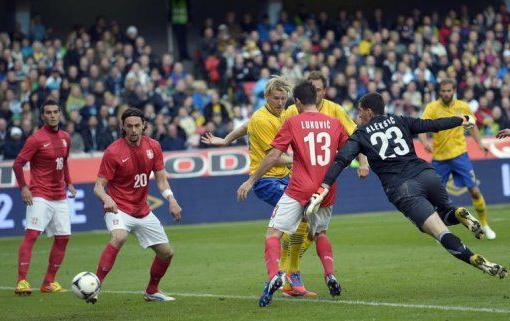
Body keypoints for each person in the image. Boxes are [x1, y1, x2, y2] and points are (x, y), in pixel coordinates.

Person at [201, 72, 369, 297]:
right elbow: (272, 154)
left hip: (293, 180)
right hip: (275, 180)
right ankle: (294, 274)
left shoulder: (288, 114)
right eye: (276, 98)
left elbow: (247, 128)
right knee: (312, 228)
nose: (281, 103)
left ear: (295, 101)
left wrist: (226, 140)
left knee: (293, 230)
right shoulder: (266, 120)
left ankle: (284, 275)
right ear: (267, 97)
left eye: (283, 98)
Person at [309, 92, 507, 281]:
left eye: (360, 111)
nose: (358, 115)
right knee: (445, 213)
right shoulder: (400, 120)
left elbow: (341, 160)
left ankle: (474, 259)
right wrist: (461, 120)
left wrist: (323, 186)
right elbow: (433, 125)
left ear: (369, 111)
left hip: (403, 188)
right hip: (427, 174)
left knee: (440, 233)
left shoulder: (360, 134)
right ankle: (459, 213)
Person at [237, 81, 349, 307]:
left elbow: (272, 157)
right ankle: (329, 274)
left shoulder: (293, 122)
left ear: (297, 101)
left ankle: (275, 276)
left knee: (273, 233)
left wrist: (251, 180)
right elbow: (348, 154)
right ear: (316, 99)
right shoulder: (335, 123)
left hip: (299, 187)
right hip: (326, 188)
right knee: (320, 232)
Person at [92, 107, 182, 303]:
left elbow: (161, 180)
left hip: (142, 210)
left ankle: (151, 290)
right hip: (118, 208)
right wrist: (106, 198)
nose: (133, 130)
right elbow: (98, 187)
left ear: (144, 126)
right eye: (129, 126)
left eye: (137, 126)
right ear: (123, 127)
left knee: (167, 253)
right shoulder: (113, 152)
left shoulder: (154, 147)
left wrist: (171, 199)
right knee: (119, 236)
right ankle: (94, 286)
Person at [12, 99, 76, 295]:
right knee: (32, 235)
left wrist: (69, 183)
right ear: (43, 116)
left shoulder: (66, 137)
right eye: (48, 112)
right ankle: (22, 281)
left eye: (55, 112)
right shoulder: (36, 139)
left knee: (64, 237)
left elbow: (63, 162)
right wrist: (24, 188)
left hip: (60, 195)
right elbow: (17, 164)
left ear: (60, 114)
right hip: (39, 194)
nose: (52, 115)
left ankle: (48, 282)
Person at [418, 79, 496, 239]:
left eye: (449, 90)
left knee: (474, 190)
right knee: (436, 198)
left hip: (460, 155)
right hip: (439, 159)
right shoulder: (432, 108)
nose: (446, 93)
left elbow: (472, 126)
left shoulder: (462, 106)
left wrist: (480, 144)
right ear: (439, 92)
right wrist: (425, 142)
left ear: (453, 91)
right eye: (443, 91)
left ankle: (485, 224)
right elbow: (422, 126)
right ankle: (440, 232)